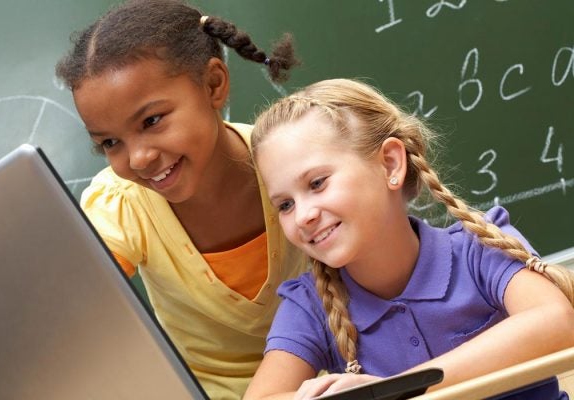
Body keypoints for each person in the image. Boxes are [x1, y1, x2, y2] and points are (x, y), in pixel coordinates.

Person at [243, 78, 574, 400]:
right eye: (285, 204)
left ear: (390, 164)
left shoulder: (480, 248)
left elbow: (557, 322)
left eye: (317, 183)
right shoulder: (310, 306)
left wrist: (393, 392)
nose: (303, 216)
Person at [55, 1, 303, 399]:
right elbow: (69, 315)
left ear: (213, 85)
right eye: (110, 143)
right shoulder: (122, 205)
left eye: (151, 121)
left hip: (340, 379)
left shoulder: (296, 164)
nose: (138, 158)